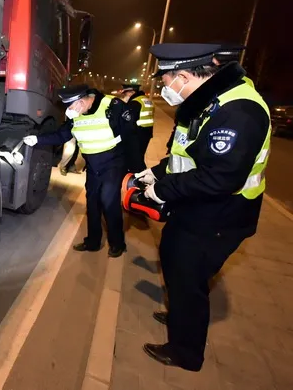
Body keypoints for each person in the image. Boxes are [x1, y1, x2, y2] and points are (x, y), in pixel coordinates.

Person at [135, 43, 271, 371]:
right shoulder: (208, 101)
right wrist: (157, 172)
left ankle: (186, 353)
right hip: (198, 209)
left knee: (188, 277)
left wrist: (163, 190)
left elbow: (220, 177)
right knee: (177, 264)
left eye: (165, 82)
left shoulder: (238, 112)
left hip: (221, 215)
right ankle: (181, 315)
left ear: (183, 77)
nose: (165, 89)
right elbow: (189, 155)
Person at [24, 85, 143, 258]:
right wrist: (37, 139)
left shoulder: (112, 106)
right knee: (92, 203)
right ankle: (92, 242)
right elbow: (62, 135)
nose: (69, 111)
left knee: (108, 202)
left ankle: (117, 243)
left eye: (71, 106)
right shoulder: (76, 115)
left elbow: (131, 137)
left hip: (113, 163)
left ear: (81, 102)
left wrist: (136, 168)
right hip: (93, 166)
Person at [119, 83, 155, 167]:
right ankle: (141, 171)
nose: (125, 96)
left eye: (126, 93)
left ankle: (138, 172)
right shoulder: (147, 100)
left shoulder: (135, 103)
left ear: (132, 92)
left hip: (137, 134)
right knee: (140, 156)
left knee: (134, 159)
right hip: (147, 133)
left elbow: (128, 121)